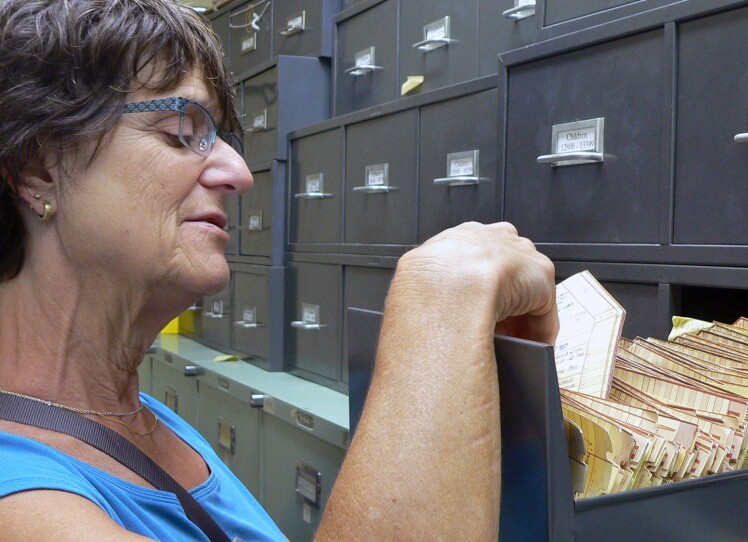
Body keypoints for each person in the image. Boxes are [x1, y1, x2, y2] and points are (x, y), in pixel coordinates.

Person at [0, 1, 558, 541]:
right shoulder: (20, 503)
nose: (239, 172)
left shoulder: (147, 424)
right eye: (180, 131)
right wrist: (441, 299)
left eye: (221, 138)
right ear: (38, 169)